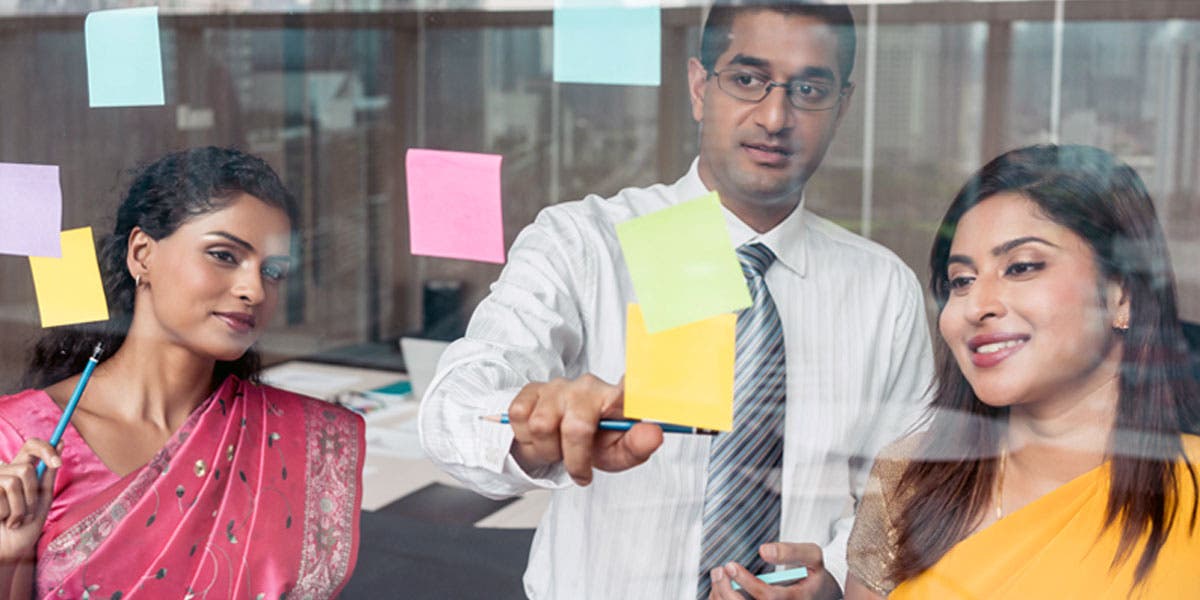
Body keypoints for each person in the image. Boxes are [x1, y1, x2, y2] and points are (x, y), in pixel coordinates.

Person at [419, 2, 933, 598]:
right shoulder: (586, 242)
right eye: (746, 79)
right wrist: (531, 430)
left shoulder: (882, 289)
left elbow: (900, 499)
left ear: (841, 107)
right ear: (698, 87)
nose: (774, 116)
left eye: (809, 89)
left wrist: (838, 581)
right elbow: (452, 411)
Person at [0, 147, 365, 599]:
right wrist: (11, 557)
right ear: (142, 253)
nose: (254, 289)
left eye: (272, 271)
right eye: (224, 255)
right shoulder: (19, 443)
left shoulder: (304, 437)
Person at [845, 144, 1200, 599]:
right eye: (961, 281)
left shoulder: (1189, 485)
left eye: (1021, 267)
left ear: (1122, 295)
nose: (978, 305)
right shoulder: (911, 478)